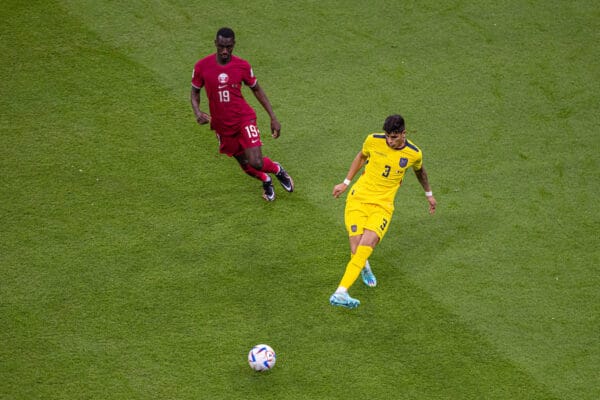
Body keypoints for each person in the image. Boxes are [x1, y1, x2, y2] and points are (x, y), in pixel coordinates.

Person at [329, 114, 437, 309]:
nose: (389, 141)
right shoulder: (373, 140)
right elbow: (361, 156)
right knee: (357, 249)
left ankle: (341, 292)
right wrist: (345, 183)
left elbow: (420, 172)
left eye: (394, 137)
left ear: (404, 134)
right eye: (387, 136)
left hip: (382, 207)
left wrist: (429, 194)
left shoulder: (414, 154)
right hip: (358, 200)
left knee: (365, 246)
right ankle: (364, 267)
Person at [190, 27, 294, 201]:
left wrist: (273, 117)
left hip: (244, 119)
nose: (225, 51)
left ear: (234, 45)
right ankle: (266, 180)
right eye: (221, 46)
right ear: (215, 43)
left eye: (229, 47)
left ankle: (277, 169)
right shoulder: (202, 66)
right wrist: (197, 111)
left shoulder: (242, 66)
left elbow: (257, 89)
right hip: (222, 126)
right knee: (245, 164)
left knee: (256, 162)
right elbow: (194, 92)